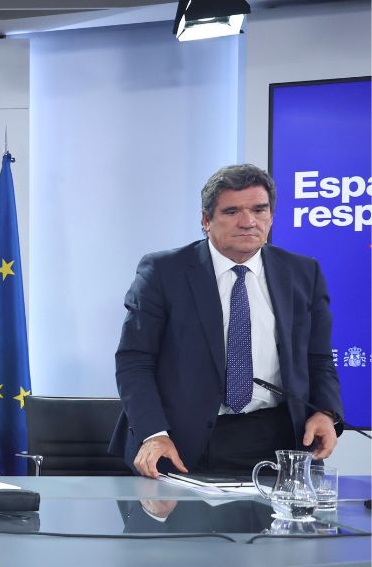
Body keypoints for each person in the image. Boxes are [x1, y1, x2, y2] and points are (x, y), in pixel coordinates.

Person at [110, 164, 343, 479]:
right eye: (232, 211)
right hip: (181, 441)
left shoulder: (303, 273)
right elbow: (134, 360)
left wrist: (325, 412)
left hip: (281, 438)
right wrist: (153, 433)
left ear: (271, 217)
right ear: (206, 221)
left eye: (259, 210)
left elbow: (318, 359)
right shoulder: (164, 272)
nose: (248, 222)